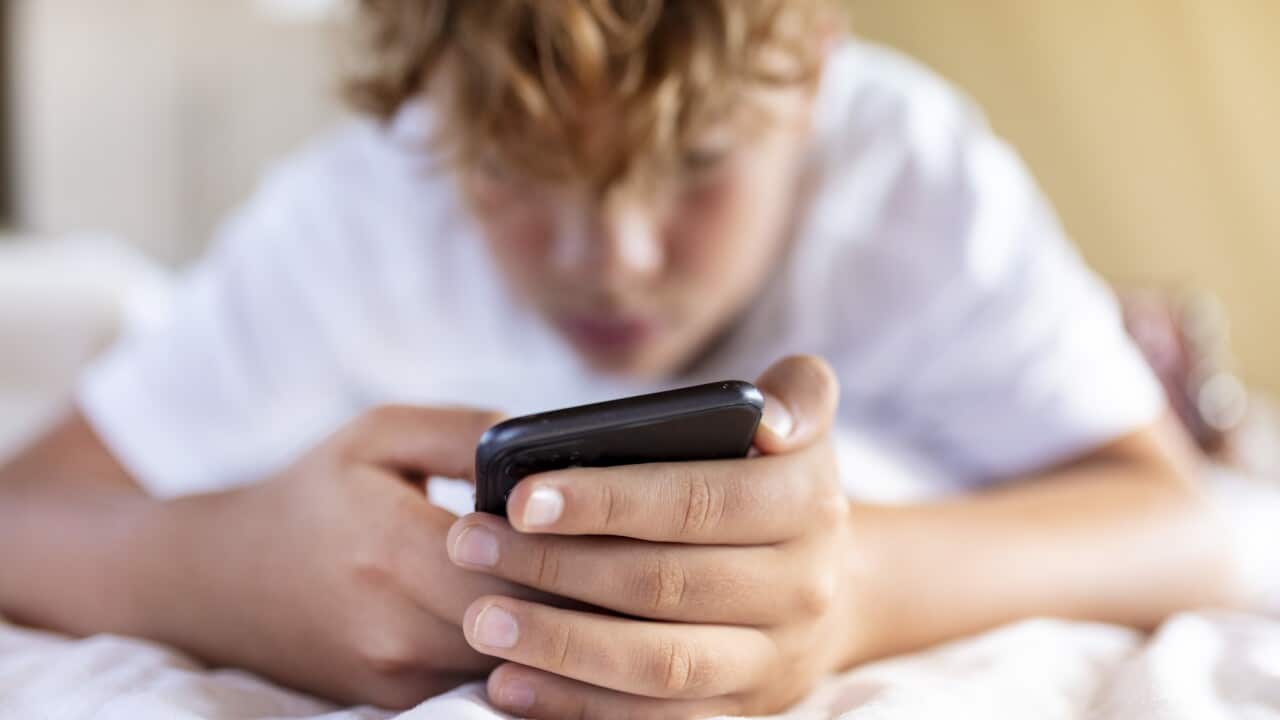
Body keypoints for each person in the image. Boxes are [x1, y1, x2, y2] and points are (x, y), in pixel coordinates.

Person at [0, 1, 1237, 717]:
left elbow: (1188, 528)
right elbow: (24, 514)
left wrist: (856, 588)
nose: (613, 259)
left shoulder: (906, 177)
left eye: (695, 162)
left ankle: (1135, 337)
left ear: (811, 63)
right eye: (519, 169)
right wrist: (220, 572)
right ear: (432, 101)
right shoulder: (360, 208)